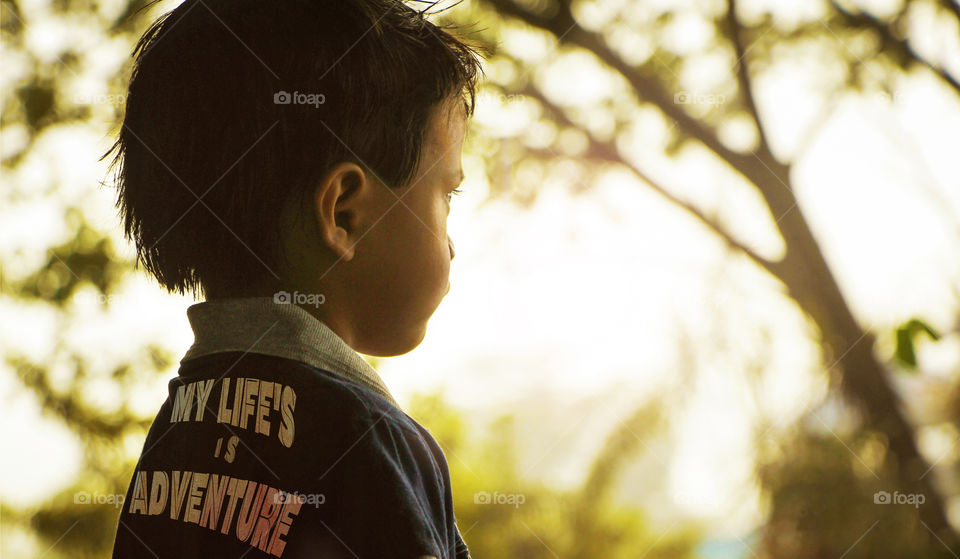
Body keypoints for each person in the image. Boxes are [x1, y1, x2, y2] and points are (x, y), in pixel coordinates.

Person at [105, 0, 483, 557]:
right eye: (445, 195)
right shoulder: (374, 439)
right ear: (345, 214)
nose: (450, 242)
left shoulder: (182, 424)